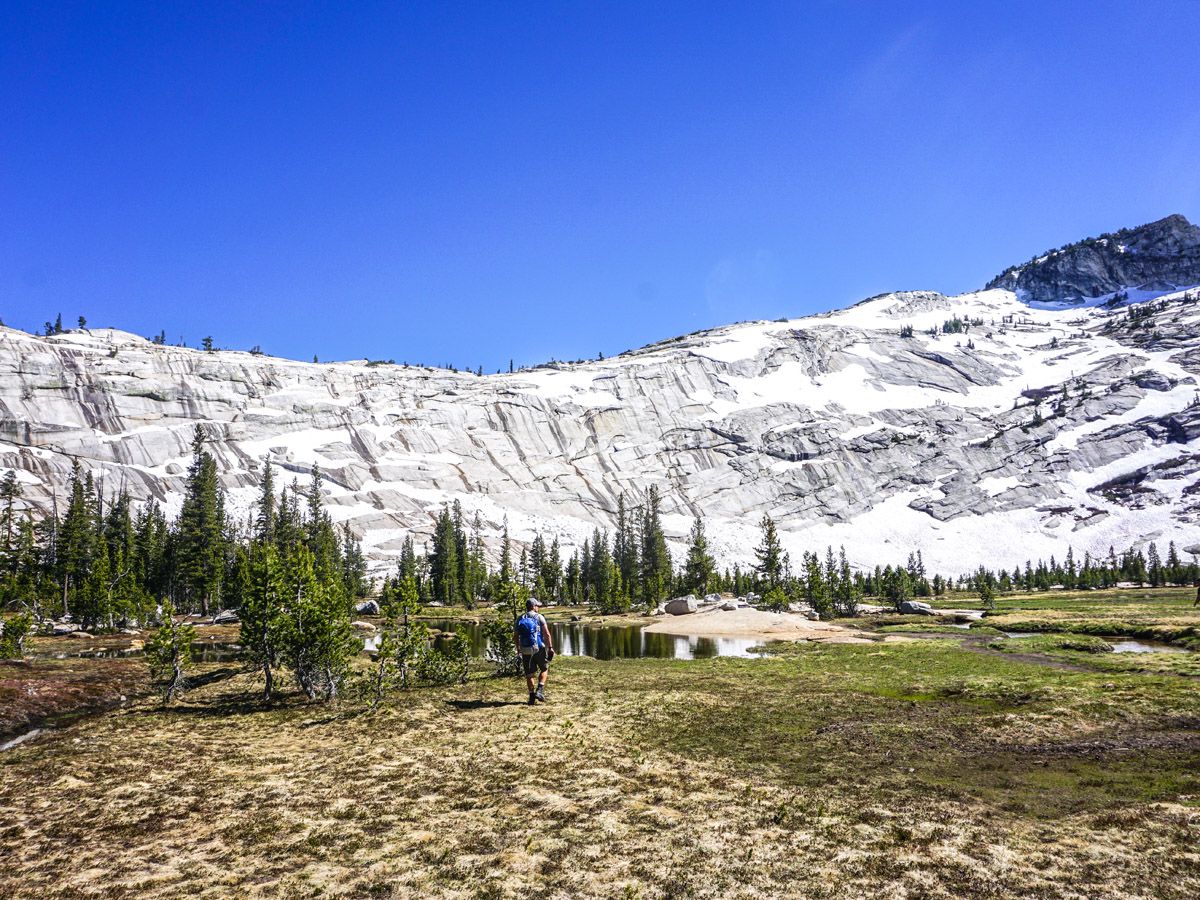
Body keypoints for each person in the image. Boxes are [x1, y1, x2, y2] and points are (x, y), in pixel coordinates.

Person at [514, 597, 554, 705]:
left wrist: (518, 649)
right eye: (537, 606)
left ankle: (531, 697)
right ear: (534, 606)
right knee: (544, 669)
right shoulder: (539, 617)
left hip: (525, 649)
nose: (538, 608)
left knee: (529, 674)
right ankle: (540, 690)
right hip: (538, 648)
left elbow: (516, 636)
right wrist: (550, 647)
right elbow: (546, 634)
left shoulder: (520, 618)